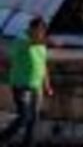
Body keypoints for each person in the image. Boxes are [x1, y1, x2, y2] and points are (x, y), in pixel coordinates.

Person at [0, 17, 53, 147]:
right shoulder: (21, 40)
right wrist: (48, 41)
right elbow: (32, 43)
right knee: (24, 116)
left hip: (37, 86)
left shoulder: (41, 45)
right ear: (31, 29)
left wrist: (47, 85)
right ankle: (2, 138)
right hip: (21, 85)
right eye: (39, 30)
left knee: (34, 119)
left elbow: (43, 65)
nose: (41, 33)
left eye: (43, 31)